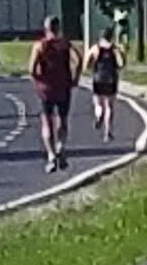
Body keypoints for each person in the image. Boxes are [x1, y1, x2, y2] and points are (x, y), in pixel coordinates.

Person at [25, 15, 80, 171]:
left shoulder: (40, 45)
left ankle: (50, 155)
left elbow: (31, 68)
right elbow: (78, 59)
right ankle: (61, 146)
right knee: (63, 119)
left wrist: (38, 79)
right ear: (58, 28)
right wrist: (75, 78)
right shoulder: (65, 44)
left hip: (46, 89)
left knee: (47, 121)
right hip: (64, 86)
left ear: (46, 28)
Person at [84, 22, 125, 139]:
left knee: (97, 102)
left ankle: (99, 114)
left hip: (98, 78)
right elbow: (121, 64)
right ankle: (107, 132)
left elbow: (86, 64)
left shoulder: (95, 48)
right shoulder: (114, 49)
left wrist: (91, 66)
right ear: (111, 36)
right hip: (111, 79)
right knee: (109, 106)